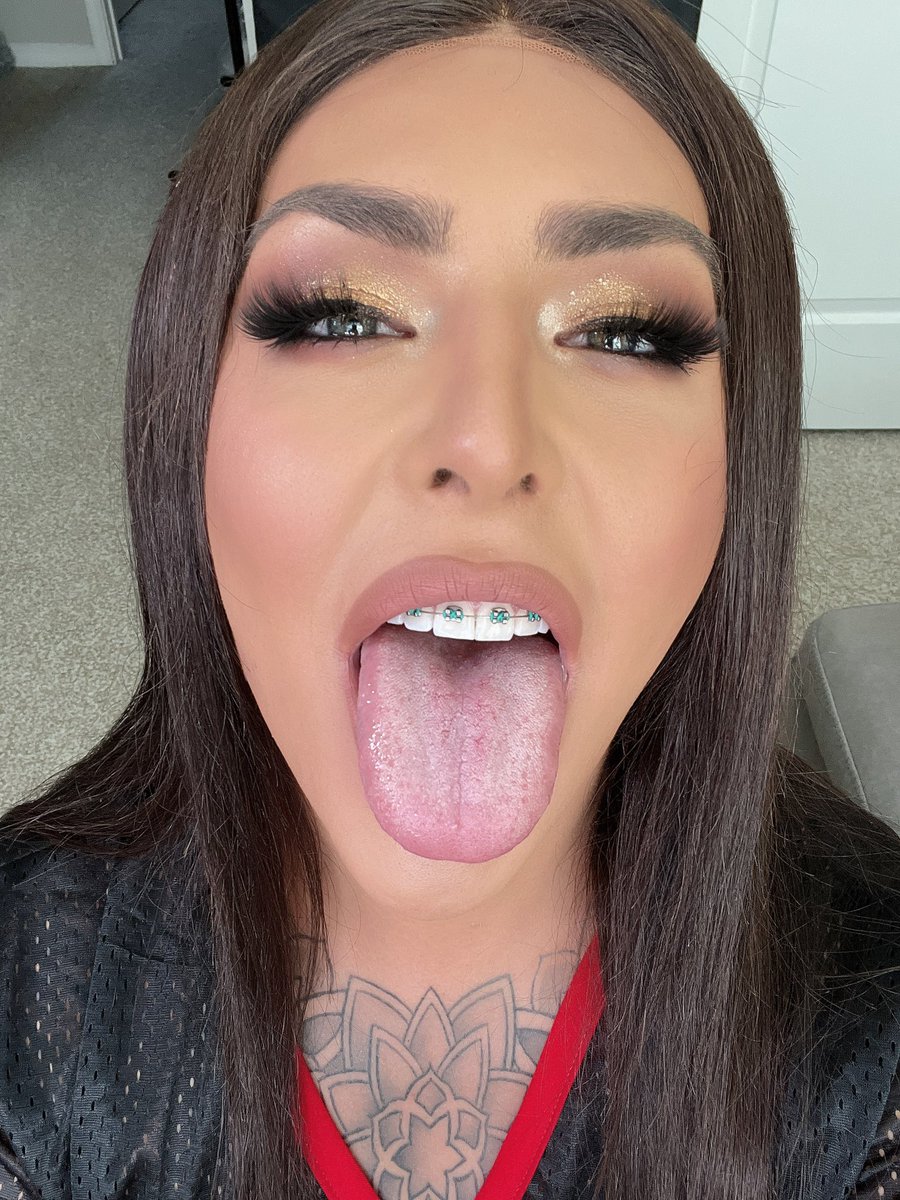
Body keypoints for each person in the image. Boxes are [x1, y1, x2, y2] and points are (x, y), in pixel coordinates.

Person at [1, 2, 899, 1198]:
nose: (486, 439)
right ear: (188, 411)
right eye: (342, 315)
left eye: (626, 332)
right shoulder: (27, 984)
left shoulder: (870, 1025)